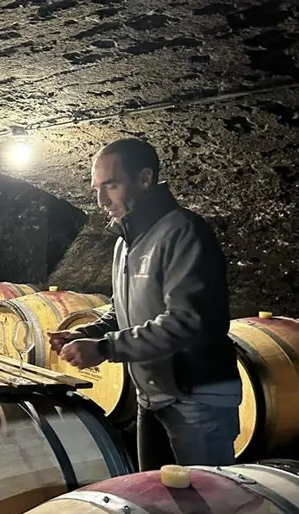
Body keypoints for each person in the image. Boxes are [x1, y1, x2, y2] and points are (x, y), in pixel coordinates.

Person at [48, 138, 242, 470]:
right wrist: (88, 333)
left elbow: (187, 321)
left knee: (204, 499)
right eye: (97, 188)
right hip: (151, 397)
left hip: (195, 399)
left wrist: (106, 348)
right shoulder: (125, 242)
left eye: (111, 185)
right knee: (152, 497)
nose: (101, 200)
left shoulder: (184, 232)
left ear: (145, 179)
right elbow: (122, 308)